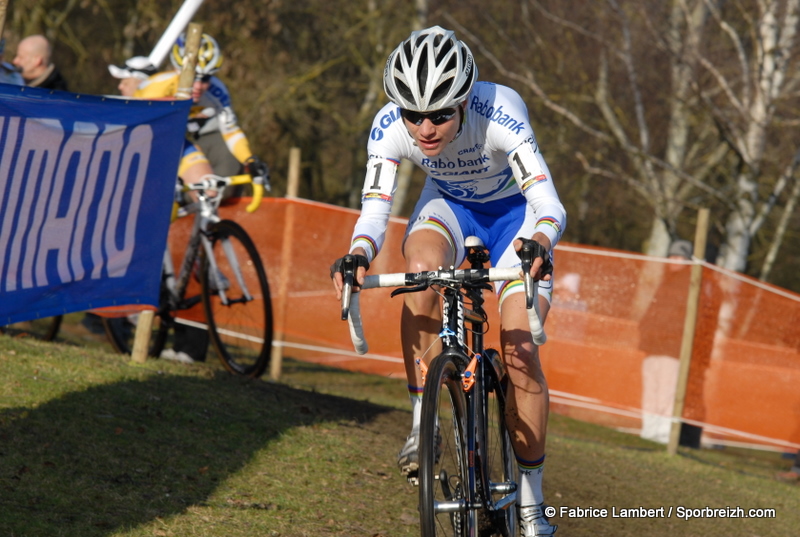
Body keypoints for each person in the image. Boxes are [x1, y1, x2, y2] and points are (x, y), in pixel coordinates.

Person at [330, 26, 565, 536]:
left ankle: (531, 504)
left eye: (439, 114)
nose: (425, 128)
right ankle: (423, 421)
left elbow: (548, 203)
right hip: (451, 210)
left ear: (463, 101)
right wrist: (357, 254)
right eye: (414, 115)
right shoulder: (389, 126)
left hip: (515, 222)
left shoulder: (500, 109)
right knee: (420, 272)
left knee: (520, 350)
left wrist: (541, 243)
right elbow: (375, 210)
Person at [639, 239, 693, 444]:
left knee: (667, 391)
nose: (675, 261)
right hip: (653, 346)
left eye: (680, 257)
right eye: (672, 256)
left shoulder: (689, 285)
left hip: (673, 349)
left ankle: (662, 434)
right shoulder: (665, 280)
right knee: (651, 389)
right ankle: (649, 431)